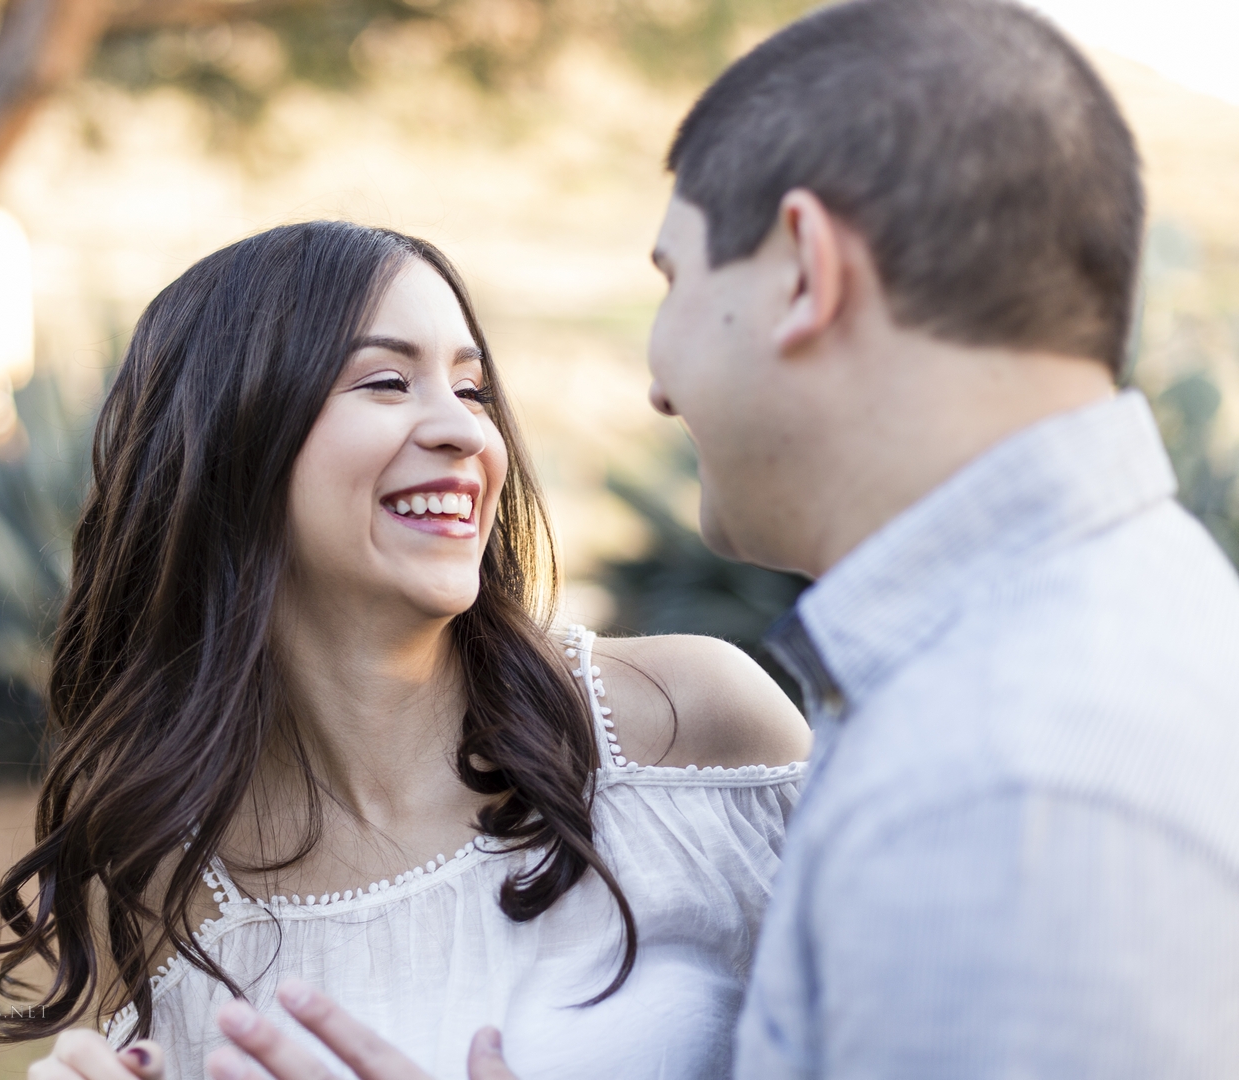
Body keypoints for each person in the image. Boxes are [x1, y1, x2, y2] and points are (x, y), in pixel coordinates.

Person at [189, 2, 1239, 1078]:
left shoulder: (1005, 773)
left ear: (804, 271)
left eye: (674, 281)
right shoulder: (1061, 659)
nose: (654, 382)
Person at [0, 220, 811, 1080]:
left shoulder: (692, 727)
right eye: (386, 381)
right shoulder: (156, 871)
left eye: (473, 389)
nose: (464, 431)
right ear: (234, 443)